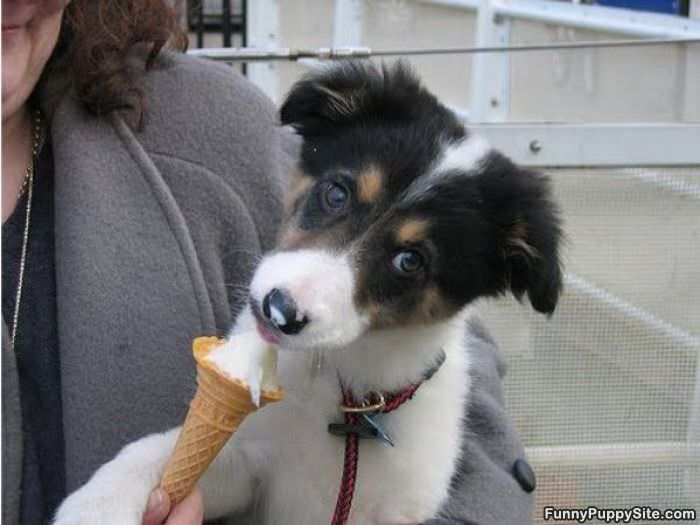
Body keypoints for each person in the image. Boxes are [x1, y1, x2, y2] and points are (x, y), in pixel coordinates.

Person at [1, 1, 535, 524]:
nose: (291, 300)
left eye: (407, 262)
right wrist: (132, 479)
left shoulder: (202, 120)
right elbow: (243, 465)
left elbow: (460, 359)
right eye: (334, 199)